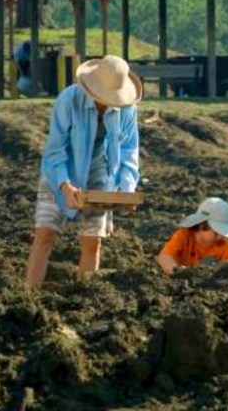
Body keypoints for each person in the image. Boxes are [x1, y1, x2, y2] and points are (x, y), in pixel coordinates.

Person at [24, 55, 143, 289]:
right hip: (61, 172)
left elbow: (129, 150)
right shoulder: (68, 100)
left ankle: (86, 297)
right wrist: (65, 186)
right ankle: (28, 295)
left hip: (100, 176)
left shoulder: (127, 109)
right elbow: (55, 150)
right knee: (45, 233)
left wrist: (127, 191)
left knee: (92, 241)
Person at [156, 197, 228, 274]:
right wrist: (177, 271)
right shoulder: (184, 235)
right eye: (217, 233)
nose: (221, 237)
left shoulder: (223, 246)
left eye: (223, 233)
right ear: (202, 225)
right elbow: (164, 257)